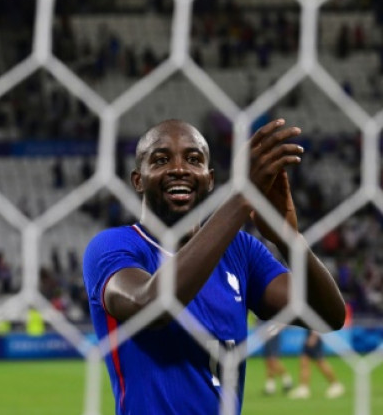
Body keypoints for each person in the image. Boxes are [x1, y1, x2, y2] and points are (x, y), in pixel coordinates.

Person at [83, 118, 345, 414]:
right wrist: (242, 198)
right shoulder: (113, 247)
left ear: (209, 179)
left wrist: (288, 238)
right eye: (161, 159)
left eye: (193, 159)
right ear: (138, 180)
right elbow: (151, 304)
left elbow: (328, 316)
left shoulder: (241, 251)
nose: (179, 169)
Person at [287, 330, 345, 399]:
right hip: (308, 335)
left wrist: (313, 337)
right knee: (304, 362)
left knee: (320, 363)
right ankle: (303, 389)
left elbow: (317, 323)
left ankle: (336, 385)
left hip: (314, 337)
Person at [261, 324, 293, 395]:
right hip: (264, 332)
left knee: (273, 360)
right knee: (268, 360)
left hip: (273, 332)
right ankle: (270, 387)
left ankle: (287, 380)